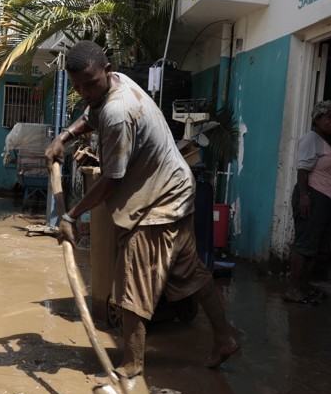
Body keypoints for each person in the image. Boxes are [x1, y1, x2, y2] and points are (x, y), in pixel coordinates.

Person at [45, 40, 241, 376]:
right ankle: (224, 338)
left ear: (106, 72)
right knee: (189, 271)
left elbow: (110, 180)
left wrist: (70, 216)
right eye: (77, 87)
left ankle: (133, 362)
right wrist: (64, 136)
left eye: (90, 83)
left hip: (158, 203)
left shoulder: (118, 113)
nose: (85, 92)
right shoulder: (114, 83)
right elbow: (91, 114)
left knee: (131, 281)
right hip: (177, 187)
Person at [284, 99, 331, 304]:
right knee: (304, 245)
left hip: (325, 200)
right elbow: (303, 170)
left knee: (314, 246)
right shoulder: (312, 138)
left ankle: (303, 286)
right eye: (329, 117)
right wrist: (304, 196)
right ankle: (293, 289)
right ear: (317, 119)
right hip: (312, 196)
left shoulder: (327, 142)